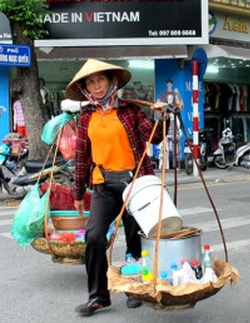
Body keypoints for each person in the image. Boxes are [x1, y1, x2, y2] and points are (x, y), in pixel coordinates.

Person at [66, 59, 167, 316]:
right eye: (91, 82)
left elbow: (155, 135)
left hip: (135, 182)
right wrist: (78, 193)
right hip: (103, 184)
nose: (97, 86)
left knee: (135, 239)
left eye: (101, 80)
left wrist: (162, 115)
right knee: (94, 237)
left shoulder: (130, 111)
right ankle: (99, 296)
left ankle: (135, 289)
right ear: (85, 88)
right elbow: (81, 157)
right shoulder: (86, 115)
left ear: (112, 82)